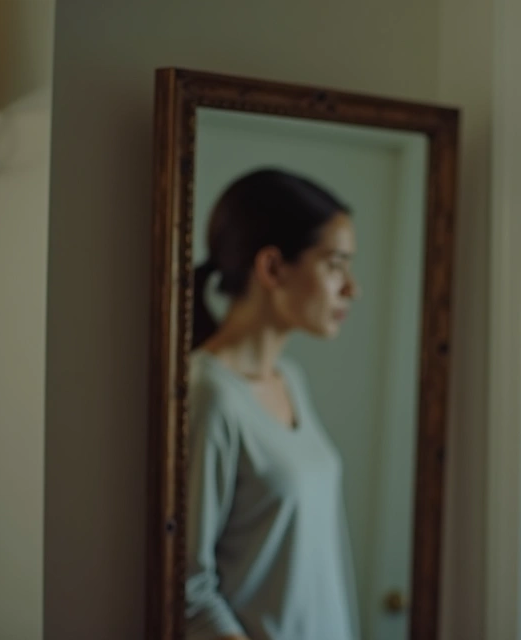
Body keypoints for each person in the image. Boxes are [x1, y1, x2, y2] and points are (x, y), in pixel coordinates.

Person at [184, 168, 361, 640]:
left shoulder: (292, 381)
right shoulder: (209, 395)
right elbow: (188, 589)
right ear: (272, 268)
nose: (351, 288)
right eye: (335, 265)